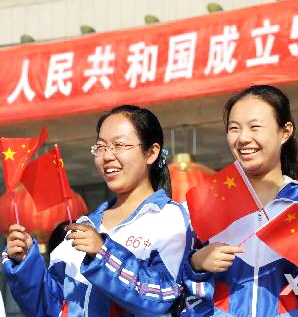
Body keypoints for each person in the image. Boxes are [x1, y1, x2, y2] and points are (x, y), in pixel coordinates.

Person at [3, 105, 192, 316]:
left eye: (119, 145)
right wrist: (25, 263)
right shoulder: (84, 226)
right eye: (101, 147)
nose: (107, 156)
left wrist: (103, 253)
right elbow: (51, 309)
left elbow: (165, 297)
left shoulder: (169, 218)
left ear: (151, 153)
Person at [182, 85, 298, 316]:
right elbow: (170, 290)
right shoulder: (204, 204)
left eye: (255, 127)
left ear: (285, 132)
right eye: (234, 128)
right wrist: (196, 264)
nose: (243, 138)